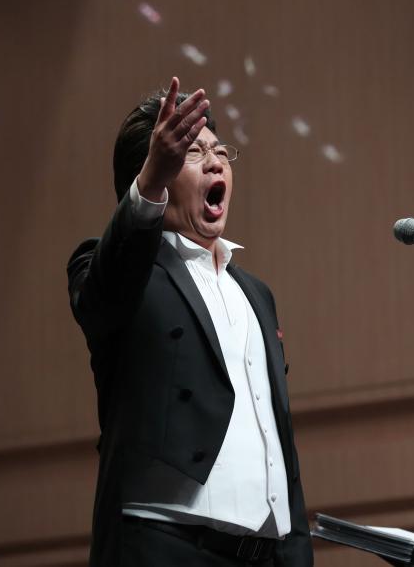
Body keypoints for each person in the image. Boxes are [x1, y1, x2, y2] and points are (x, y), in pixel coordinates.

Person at [68, 78, 313, 566]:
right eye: (193, 152)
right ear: (154, 172)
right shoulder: (117, 271)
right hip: (164, 545)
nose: (215, 161)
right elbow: (103, 296)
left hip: (267, 553)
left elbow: (278, 441)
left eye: (219, 151)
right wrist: (150, 180)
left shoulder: (257, 295)